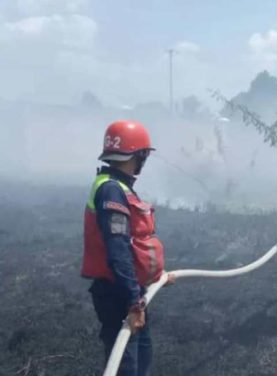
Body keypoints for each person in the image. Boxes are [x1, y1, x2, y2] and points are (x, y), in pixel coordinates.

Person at [82, 120, 172, 376]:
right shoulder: (112, 191)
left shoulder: (118, 186)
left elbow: (134, 244)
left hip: (130, 289)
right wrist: (133, 303)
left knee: (142, 354)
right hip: (117, 293)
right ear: (138, 155)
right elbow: (118, 250)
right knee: (126, 364)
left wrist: (158, 277)